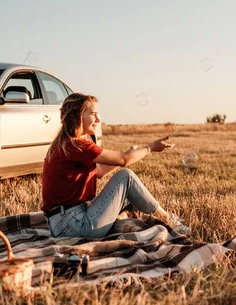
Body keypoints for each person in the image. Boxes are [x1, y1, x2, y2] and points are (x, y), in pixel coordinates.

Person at [41, 92, 188, 238]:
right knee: (126, 177)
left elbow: (99, 172)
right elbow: (125, 160)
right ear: (77, 116)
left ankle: (126, 220)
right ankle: (169, 220)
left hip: (62, 223)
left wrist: (125, 156)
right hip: (74, 225)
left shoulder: (65, 144)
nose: (98, 119)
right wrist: (150, 148)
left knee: (128, 194)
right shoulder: (77, 145)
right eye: (93, 114)